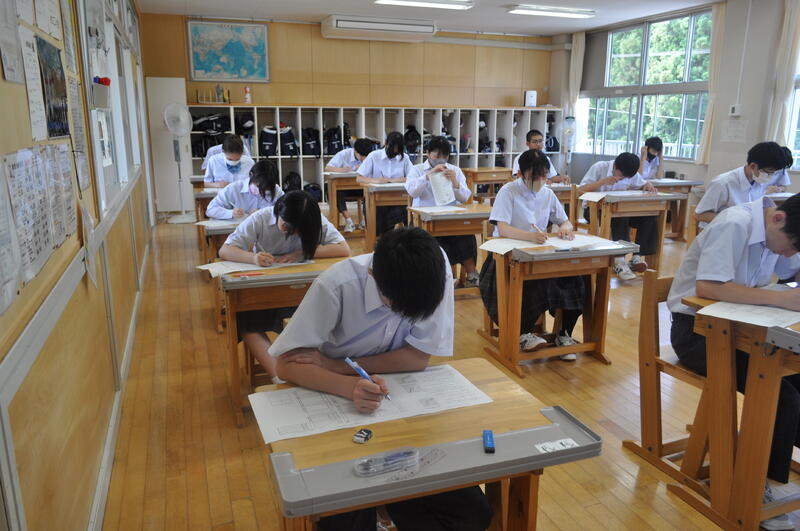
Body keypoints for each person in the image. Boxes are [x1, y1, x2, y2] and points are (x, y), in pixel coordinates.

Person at [268, 227, 493, 531]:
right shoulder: (336, 286)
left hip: (403, 411)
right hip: (334, 407)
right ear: (373, 275)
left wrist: (337, 366)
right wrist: (347, 386)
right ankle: (378, 512)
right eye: (393, 305)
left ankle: (387, 511)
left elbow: (417, 358)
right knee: (345, 519)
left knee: (473, 513)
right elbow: (285, 365)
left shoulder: (432, 269)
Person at [667, 194, 800, 531]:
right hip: (696, 333)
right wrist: (781, 300)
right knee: (781, 394)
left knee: (796, 378)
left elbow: (789, 271)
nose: (789, 254)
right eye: (792, 246)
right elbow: (708, 287)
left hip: (740, 329)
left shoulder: (776, 232)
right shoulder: (734, 223)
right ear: (778, 219)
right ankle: (755, 484)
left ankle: (767, 454)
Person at [218, 191, 351, 382]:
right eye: (287, 227)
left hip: (304, 288)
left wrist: (303, 253)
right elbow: (225, 250)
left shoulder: (313, 219)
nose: (293, 233)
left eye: (299, 231)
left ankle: (308, 368)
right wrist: (253, 258)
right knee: (247, 321)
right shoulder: (260, 219)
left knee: (320, 315)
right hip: (267, 287)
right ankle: (280, 375)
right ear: (278, 211)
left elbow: (343, 248)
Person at [480, 149, 583, 360]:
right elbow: (503, 228)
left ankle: (564, 333)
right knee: (532, 282)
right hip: (506, 256)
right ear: (520, 173)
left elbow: (564, 220)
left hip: (540, 254)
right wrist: (530, 236)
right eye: (534, 176)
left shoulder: (547, 193)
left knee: (576, 277)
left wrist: (565, 228)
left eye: (543, 175)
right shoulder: (508, 191)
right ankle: (523, 333)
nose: (539, 180)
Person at [406, 135, 479, 287]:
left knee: (467, 235)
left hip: (450, 218)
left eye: (444, 156)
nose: (441, 159)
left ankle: (472, 275)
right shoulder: (417, 169)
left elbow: (465, 196)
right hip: (426, 220)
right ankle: (444, 278)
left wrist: (455, 182)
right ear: (428, 153)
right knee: (436, 242)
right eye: (437, 155)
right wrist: (428, 175)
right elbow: (412, 191)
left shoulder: (454, 170)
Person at [578, 152, 657, 281]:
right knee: (619, 216)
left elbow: (642, 183)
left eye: (626, 177)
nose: (622, 179)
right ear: (615, 166)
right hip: (593, 210)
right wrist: (602, 182)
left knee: (649, 216)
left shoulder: (629, 172)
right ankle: (619, 261)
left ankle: (637, 256)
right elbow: (580, 190)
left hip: (618, 211)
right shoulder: (600, 167)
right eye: (621, 176)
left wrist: (647, 185)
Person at [695, 141, 787, 225]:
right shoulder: (723, 183)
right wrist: (733, 221)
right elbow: (700, 215)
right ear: (753, 166)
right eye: (768, 172)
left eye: (774, 173)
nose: (770, 176)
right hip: (721, 231)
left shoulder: (759, 182)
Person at [357, 131, 413, 235]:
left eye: (397, 151)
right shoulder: (374, 156)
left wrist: (391, 180)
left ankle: (403, 238)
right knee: (377, 224)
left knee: (409, 211)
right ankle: (382, 237)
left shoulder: (404, 157)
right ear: (386, 143)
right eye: (392, 150)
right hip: (376, 199)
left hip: (399, 199)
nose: (395, 153)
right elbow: (359, 178)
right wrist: (375, 181)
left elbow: (412, 177)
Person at [325, 138, 375, 233]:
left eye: (365, 156)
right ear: (355, 151)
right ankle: (349, 221)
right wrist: (342, 170)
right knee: (336, 192)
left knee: (370, 191)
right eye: (361, 156)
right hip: (345, 188)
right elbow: (327, 168)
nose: (363, 159)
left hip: (361, 186)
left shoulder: (370, 156)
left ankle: (365, 220)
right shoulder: (344, 154)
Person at [206, 160, 283, 219]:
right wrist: (231, 213)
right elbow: (210, 210)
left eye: (266, 189)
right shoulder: (234, 188)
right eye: (258, 186)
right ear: (251, 175)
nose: (260, 192)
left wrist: (265, 213)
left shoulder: (276, 190)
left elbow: (285, 210)